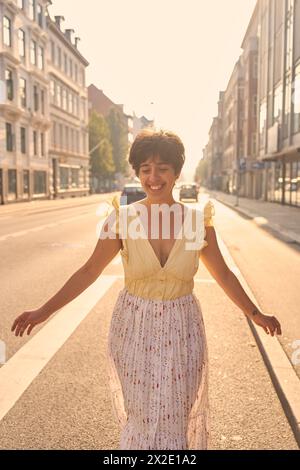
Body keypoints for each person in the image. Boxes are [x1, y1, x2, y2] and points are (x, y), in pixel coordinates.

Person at [11, 129, 282, 450]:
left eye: (162, 168)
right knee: (141, 417)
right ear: (137, 172)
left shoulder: (197, 222)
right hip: (133, 328)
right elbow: (88, 271)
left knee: (175, 418)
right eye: (145, 169)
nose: (153, 177)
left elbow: (223, 273)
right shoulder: (122, 219)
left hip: (183, 329)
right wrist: (43, 311)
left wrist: (255, 314)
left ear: (177, 172)